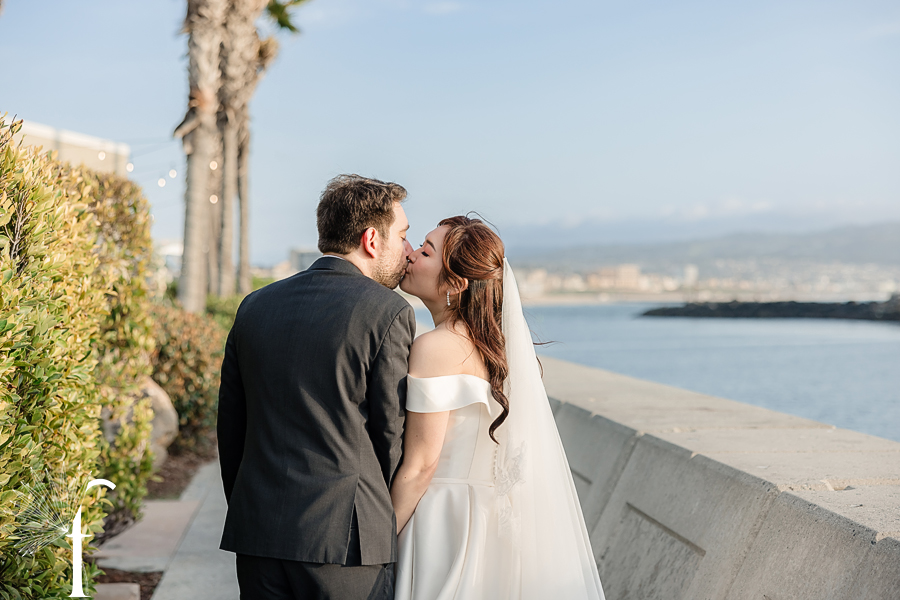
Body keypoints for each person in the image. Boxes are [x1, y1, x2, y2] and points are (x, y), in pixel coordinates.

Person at [217, 174, 416, 600]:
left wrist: (251, 507)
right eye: (402, 236)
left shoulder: (254, 306)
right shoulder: (389, 311)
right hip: (345, 542)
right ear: (371, 240)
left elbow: (231, 426)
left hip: (258, 533)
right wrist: (376, 521)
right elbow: (390, 438)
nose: (408, 251)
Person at [392, 215, 606, 599]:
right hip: (491, 520)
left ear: (455, 284)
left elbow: (421, 466)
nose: (410, 256)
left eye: (425, 251)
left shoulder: (435, 346)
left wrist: (380, 541)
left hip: (444, 524)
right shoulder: (495, 347)